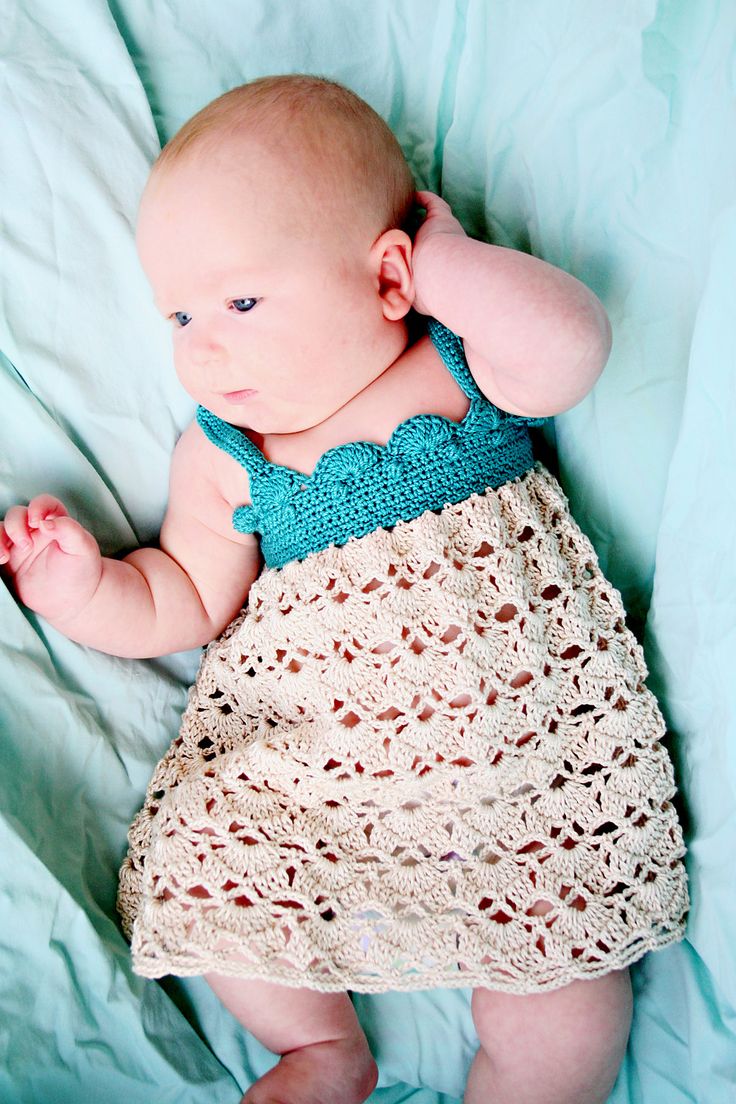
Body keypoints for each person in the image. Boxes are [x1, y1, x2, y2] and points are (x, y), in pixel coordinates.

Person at [0, 75, 688, 1104]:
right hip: (327, 780)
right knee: (211, 862)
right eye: (179, 313)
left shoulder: (457, 369)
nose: (203, 344)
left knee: (570, 996)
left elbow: (570, 347)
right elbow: (185, 598)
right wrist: (82, 584)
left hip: (525, 779)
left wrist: (447, 264)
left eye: (239, 301)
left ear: (386, 279)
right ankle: (321, 1052)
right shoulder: (229, 456)